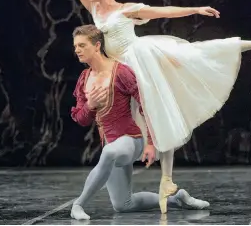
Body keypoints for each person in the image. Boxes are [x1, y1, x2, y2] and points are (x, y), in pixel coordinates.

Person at [38, 0, 251, 214]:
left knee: (191, 61)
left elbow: (161, 12)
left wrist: (194, 9)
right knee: (140, 124)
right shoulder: (95, 9)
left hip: (140, 58)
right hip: (120, 68)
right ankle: (168, 184)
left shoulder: (127, 9)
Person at [70, 24, 209, 220]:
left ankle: (78, 204)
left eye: (82, 45)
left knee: (109, 153)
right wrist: (90, 105)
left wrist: (151, 143)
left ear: (97, 45)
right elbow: (81, 119)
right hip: (110, 144)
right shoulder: (84, 78)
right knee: (123, 205)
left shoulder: (121, 72)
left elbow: (147, 107)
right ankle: (177, 199)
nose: (77, 50)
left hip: (130, 139)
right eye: (75, 46)